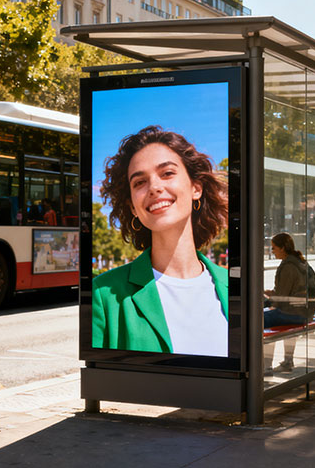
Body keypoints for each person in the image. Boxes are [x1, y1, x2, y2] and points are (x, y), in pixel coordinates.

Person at [92, 125, 229, 356]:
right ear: (133, 208)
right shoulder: (104, 294)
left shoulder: (235, 285)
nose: (154, 187)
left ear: (196, 188)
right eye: (139, 182)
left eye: (167, 173)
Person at [263, 233, 315, 373]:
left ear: (282, 248)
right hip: (305, 311)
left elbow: (282, 298)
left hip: (295, 313)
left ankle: (265, 366)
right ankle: (288, 361)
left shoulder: (288, 266)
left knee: (261, 319)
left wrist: (267, 297)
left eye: (274, 248)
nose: (272, 251)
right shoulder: (300, 261)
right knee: (274, 318)